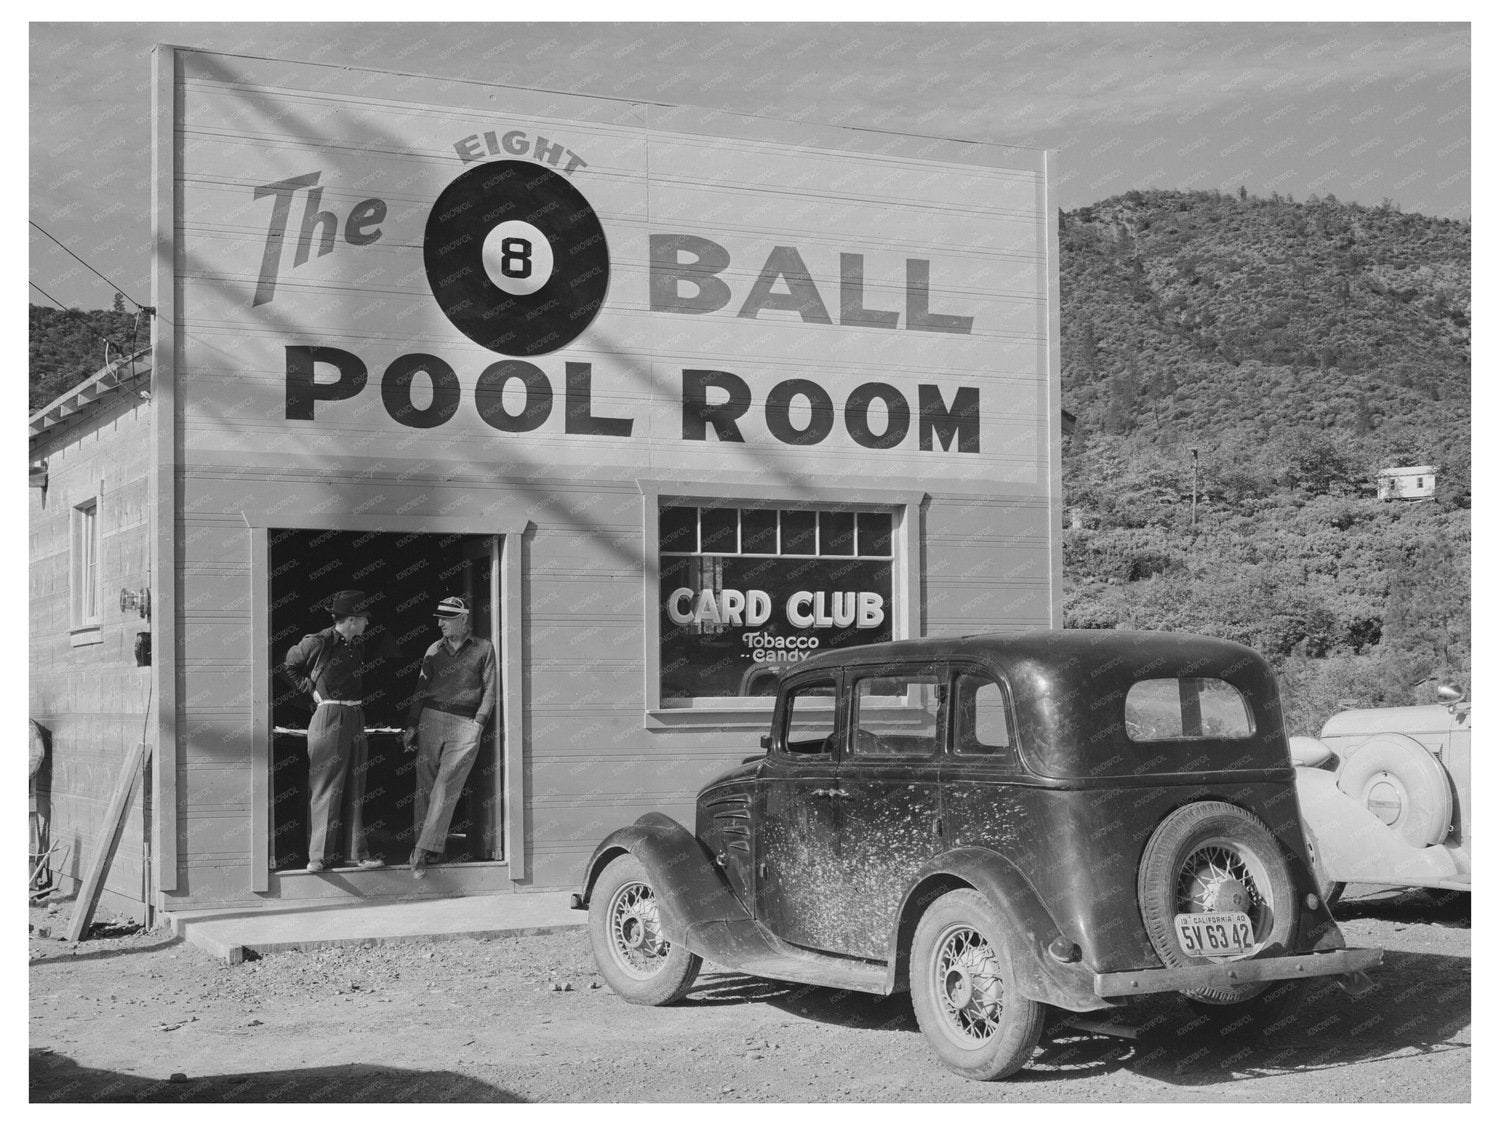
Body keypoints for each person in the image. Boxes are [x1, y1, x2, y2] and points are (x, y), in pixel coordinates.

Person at [282, 589, 387, 872]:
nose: (367, 623)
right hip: (329, 714)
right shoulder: (318, 642)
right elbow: (289, 665)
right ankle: (318, 857)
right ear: (351, 619)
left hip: (355, 714)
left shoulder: (358, 645)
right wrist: (311, 691)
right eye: (364, 618)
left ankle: (356, 854)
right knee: (325, 786)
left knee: (356, 786)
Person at [403, 595, 497, 878]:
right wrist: (411, 725)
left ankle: (421, 851)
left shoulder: (484, 648)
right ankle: (432, 851)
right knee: (426, 789)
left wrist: (478, 723)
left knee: (445, 789)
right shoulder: (433, 649)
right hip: (431, 719)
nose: (441, 623)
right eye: (439, 618)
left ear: (464, 619)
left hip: (465, 723)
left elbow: (490, 690)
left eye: (447, 618)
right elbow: (420, 690)